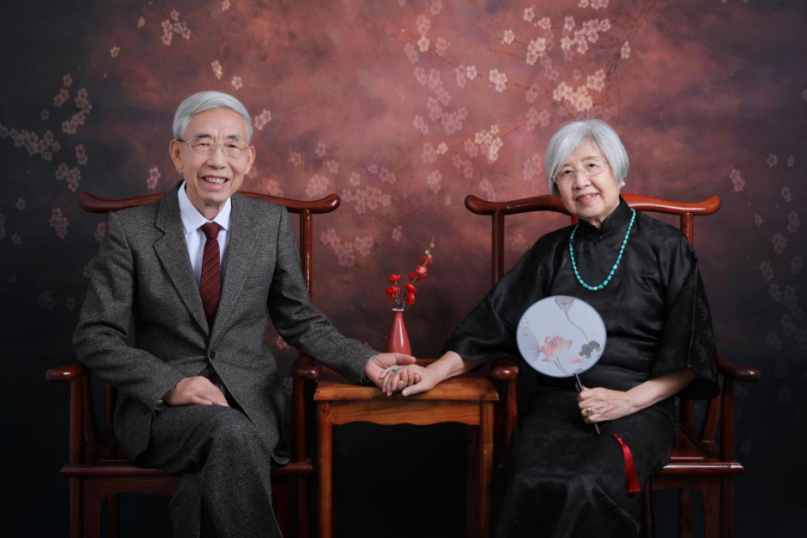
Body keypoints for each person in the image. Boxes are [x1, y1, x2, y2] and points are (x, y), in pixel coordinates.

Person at [73, 91, 415, 538]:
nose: (218, 160)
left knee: (227, 445)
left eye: (232, 145)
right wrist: (171, 385)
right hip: (162, 414)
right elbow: (95, 336)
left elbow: (299, 318)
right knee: (231, 436)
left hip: (251, 404)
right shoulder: (131, 230)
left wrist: (364, 361)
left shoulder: (269, 225)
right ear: (177, 154)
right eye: (203, 144)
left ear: (248, 158)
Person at [381, 119, 720, 536]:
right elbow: (492, 324)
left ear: (618, 171)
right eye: (566, 172)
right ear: (557, 188)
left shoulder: (667, 247)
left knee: (588, 482)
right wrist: (432, 372)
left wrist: (627, 401)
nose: (581, 181)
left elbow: (691, 354)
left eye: (592, 165)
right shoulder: (551, 252)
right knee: (534, 479)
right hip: (560, 404)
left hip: (641, 406)